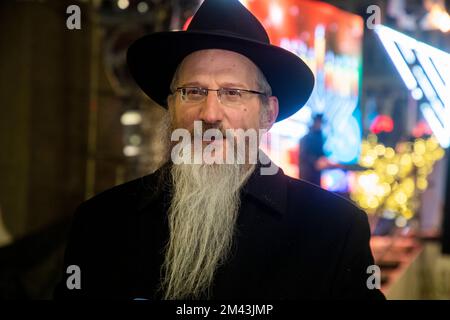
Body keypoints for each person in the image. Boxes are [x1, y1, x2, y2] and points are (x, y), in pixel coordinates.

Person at [54, 0, 385, 300]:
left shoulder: (332, 229)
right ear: (171, 105)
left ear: (268, 113)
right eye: (193, 91)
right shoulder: (102, 223)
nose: (210, 114)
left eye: (233, 93)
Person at [299, 114, 332, 186]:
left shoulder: (320, 137)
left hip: (316, 175)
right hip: (307, 174)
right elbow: (304, 155)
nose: (320, 125)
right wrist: (316, 161)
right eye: (319, 122)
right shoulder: (306, 138)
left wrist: (325, 159)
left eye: (321, 123)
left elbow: (320, 153)